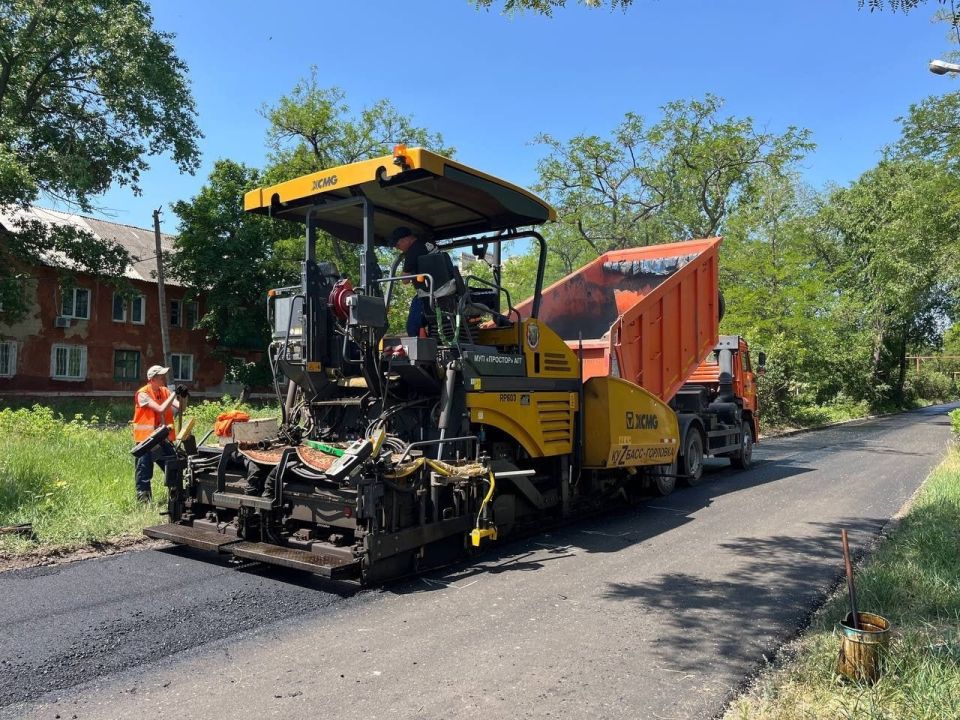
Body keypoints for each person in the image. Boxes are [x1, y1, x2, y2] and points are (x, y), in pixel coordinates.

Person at [132, 365, 185, 503]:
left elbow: (181, 408)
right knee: (144, 471)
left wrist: (183, 396)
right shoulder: (142, 394)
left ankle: (176, 497)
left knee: (173, 465)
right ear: (153, 379)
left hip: (163, 437)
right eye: (161, 376)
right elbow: (160, 409)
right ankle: (144, 502)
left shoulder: (165, 391)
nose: (163, 378)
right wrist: (174, 394)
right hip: (146, 439)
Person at [391, 226, 438, 337]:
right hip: (445, 289)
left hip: (429, 295)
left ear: (406, 240)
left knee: (412, 327)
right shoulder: (428, 242)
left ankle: (421, 352)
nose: (398, 249)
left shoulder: (413, 251)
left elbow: (405, 280)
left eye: (398, 245)